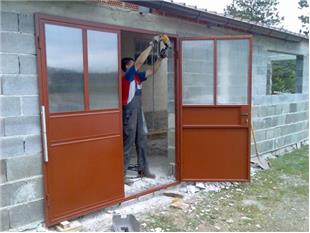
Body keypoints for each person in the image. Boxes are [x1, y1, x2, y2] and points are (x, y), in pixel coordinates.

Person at [121, 37, 167, 184]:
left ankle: (144, 169)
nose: (136, 65)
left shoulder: (137, 77)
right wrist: (151, 45)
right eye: (133, 64)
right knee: (127, 144)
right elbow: (140, 61)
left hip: (138, 112)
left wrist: (160, 58)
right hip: (129, 113)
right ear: (128, 66)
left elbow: (152, 70)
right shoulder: (127, 77)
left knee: (141, 141)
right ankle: (121, 175)